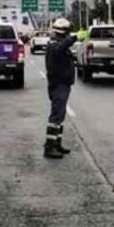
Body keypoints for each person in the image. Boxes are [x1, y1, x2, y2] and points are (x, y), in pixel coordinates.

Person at [44, 18, 78, 158]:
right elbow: (60, 49)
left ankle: (57, 143)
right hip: (58, 84)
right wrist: (72, 39)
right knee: (56, 116)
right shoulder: (55, 45)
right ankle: (49, 147)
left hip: (63, 83)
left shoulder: (58, 44)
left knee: (61, 116)